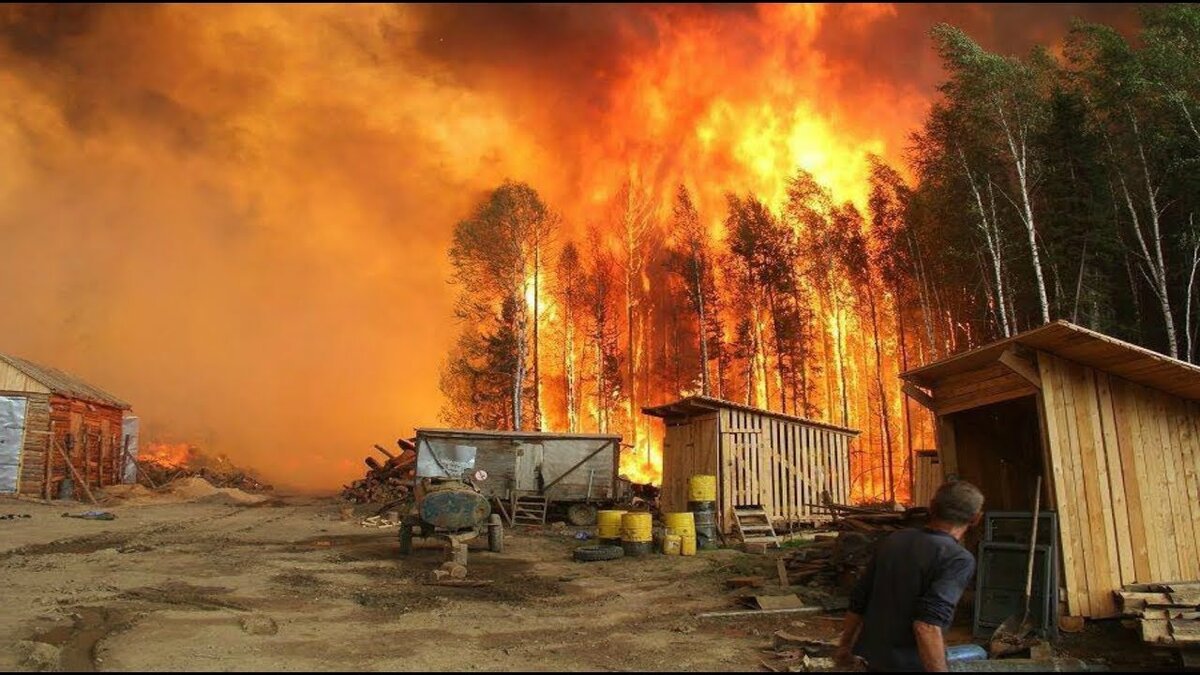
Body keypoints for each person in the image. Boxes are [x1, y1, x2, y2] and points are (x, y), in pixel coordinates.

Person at [833, 480, 985, 672]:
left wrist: (845, 646)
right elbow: (927, 625)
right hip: (911, 665)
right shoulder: (957, 559)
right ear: (976, 518)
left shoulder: (895, 540)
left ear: (932, 507)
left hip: (872, 661)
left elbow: (859, 600)